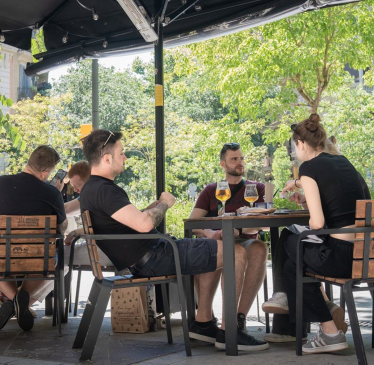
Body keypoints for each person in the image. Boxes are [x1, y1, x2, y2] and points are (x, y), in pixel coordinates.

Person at [79, 130, 268, 351]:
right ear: (106, 158)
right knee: (234, 252)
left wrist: (151, 207)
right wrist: (165, 203)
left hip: (149, 256)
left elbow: (130, 221)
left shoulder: (93, 189)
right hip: (156, 257)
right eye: (121, 153)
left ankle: (203, 324)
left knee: (213, 249)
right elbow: (144, 224)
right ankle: (230, 333)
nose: (125, 157)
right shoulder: (105, 190)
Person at [263, 114, 366, 354]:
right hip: (363, 254)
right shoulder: (344, 162)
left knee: (289, 237)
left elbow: (317, 223)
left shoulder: (308, 168)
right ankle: (329, 332)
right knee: (292, 268)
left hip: (339, 258)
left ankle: (283, 295)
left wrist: (303, 189)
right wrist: (304, 193)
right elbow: (341, 205)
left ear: (300, 144)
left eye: (294, 147)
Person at [189, 143, 268, 336]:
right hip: (217, 240)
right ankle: (205, 321)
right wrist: (209, 233)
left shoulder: (256, 188)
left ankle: (238, 319)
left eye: (241, 158)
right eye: (234, 159)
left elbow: (266, 224)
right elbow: (192, 224)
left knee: (259, 248)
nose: (240, 162)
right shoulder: (211, 190)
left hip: (245, 240)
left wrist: (238, 231)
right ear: (223, 164)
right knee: (213, 247)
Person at [0, 145, 68, 332]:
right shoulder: (52, 193)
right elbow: (62, 228)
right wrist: (56, 193)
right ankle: (20, 302)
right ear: (45, 172)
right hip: (40, 260)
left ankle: (14, 302)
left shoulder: (0, 183)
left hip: (2, 258)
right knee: (49, 261)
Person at [60, 161, 112, 268]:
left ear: (90, 181)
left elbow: (103, 228)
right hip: (102, 245)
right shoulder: (99, 191)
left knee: (56, 256)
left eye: (78, 185)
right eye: (73, 186)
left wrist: (74, 233)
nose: (75, 190)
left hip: (106, 248)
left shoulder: (94, 195)